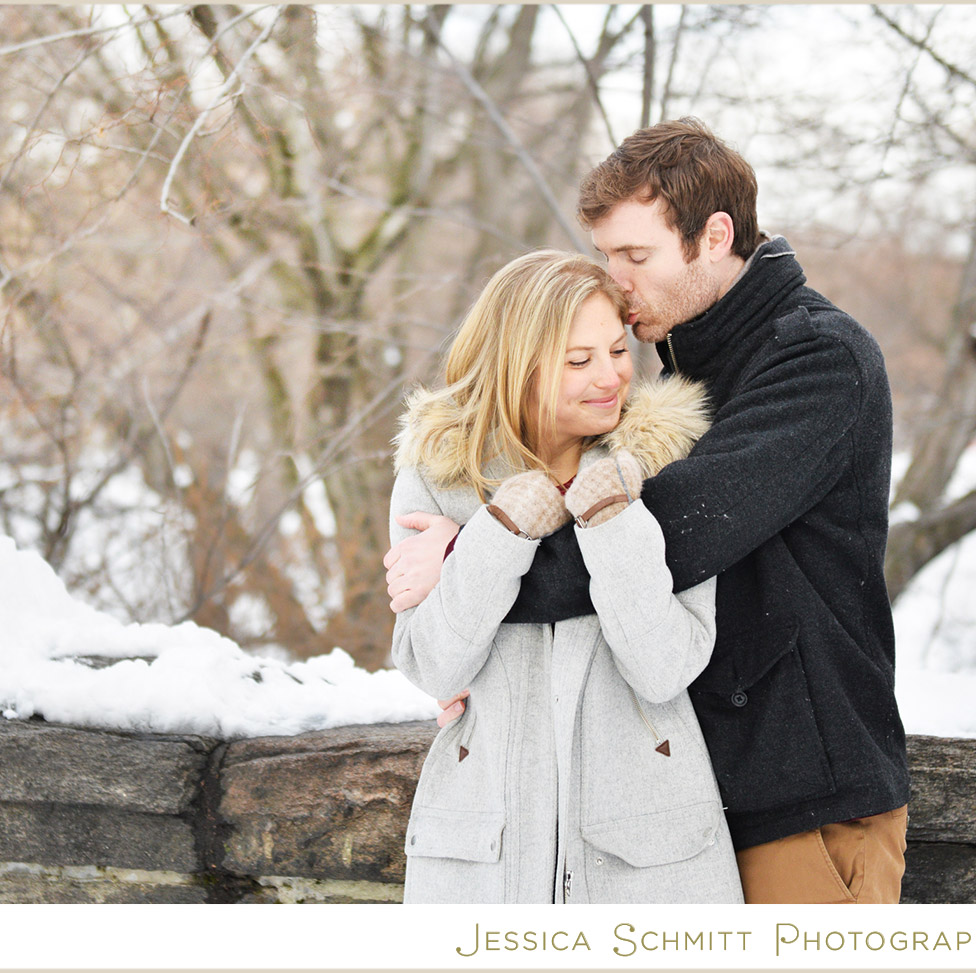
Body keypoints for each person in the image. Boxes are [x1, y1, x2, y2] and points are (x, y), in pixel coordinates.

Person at [385, 118, 910, 904]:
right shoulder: (690, 361)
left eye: (635, 256)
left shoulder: (818, 358)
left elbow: (677, 531)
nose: (617, 280)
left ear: (714, 237)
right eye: (605, 256)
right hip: (691, 798)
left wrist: (467, 558)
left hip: (801, 793)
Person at [390, 248, 741, 903]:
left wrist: (613, 517)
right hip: (483, 853)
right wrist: (498, 531)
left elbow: (664, 666)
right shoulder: (436, 479)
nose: (610, 377)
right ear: (516, 367)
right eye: (579, 361)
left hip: (647, 851)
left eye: (616, 351)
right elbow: (436, 666)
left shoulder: (666, 468)